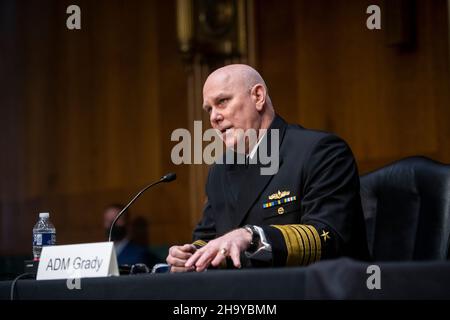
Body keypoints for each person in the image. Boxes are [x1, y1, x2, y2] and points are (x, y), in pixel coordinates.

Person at [166, 64, 370, 272]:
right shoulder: (220, 170)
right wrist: (191, 255)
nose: (213, 117)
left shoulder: (321, 151)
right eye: (209, 109)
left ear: (258, 96)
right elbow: (209, 237)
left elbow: (330, 236)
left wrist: (252, 236)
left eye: (222, 102)